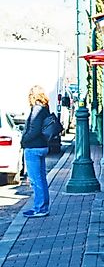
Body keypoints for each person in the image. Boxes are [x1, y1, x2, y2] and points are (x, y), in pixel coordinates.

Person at [21, 86, 51, 218]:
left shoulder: (36, 110)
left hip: (33, 148)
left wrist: (24, 140)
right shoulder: (45, 109)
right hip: (43, 146)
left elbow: (34, 130)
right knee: (42, 178)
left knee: (35, 180)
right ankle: (43, 206)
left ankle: (39, 208)